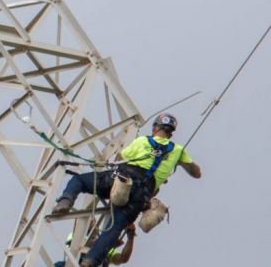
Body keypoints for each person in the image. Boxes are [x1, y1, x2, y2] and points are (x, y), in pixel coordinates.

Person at [51, 113, 201, 267]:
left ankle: (65, 201)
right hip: (141, 194)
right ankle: (91, 261)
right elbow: (197, 174)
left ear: (155, 128)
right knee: (115, 228)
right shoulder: (178, 150)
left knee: (80, 180)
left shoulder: (142, 141)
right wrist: (182, 162)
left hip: (121, 180)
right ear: (171, 132)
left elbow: (120, 158)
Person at [54, 223, 136, 267]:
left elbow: (123, 259)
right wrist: (110, 243)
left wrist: (130, 238)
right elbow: (83, 245)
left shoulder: (104, 246)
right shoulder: (76, 236)